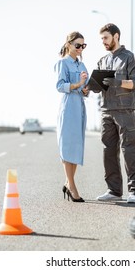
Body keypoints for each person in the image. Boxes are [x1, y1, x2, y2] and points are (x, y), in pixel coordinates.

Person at [94, 23, 135, 203]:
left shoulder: (129, 58)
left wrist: (118, 82)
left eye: (106, 38)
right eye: (102, 39)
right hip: (106, 110)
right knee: (108, 151)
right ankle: (114, 191)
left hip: (124, 111)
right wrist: (93, 86)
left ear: (116, 36)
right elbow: (99, 85)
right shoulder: (102, 60)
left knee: (129, 149)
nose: (103, 42)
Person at [55, 31, 89, 202]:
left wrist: (85, 89)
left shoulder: (82, 66)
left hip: (80, 107)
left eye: (83, 46)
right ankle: (72, 186)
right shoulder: (62, 63)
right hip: (68, 107)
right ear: (68, 44)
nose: (80, 49)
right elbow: (60, 86)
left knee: (76, 146)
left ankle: (68, 183)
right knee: (68, 145)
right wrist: (78, 84)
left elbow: (86, 89)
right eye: (77, 45)